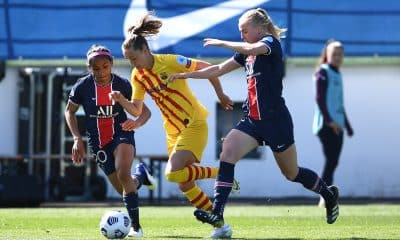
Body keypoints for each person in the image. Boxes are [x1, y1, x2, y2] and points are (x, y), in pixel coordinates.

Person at [168, 8, 340, 238]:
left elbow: (252, 47)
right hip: (253, 121)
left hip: (276, 121)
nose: (242, 36)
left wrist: (223, 43)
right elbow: (218, 69)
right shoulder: (246, 51)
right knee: (227, 151)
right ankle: (217, 213)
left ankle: (328, 195)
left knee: (291, 173)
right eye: (240, 32)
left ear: (259, 29)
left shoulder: (270, 43)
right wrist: (185, 75)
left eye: (244, 31)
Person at [109, 12, 239, 214]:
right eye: (128, 61)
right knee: (184, 183)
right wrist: (121, 100)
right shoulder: (138, 76)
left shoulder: (170, 61)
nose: (133, 64)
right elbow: (136, 110)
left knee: (172, 173)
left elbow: (210, 69)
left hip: (193, 123)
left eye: (134, 58)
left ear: (145, 50)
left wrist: (221, 95)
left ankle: (220, 173)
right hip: (172, 131)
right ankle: (219, 222)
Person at [64, 44, 157, 238]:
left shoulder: (123, 84)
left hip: (121, 134)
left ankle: (136, 227)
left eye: (105, 66)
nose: (101, 71)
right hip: (98, 142)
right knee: (123, 186)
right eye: (96, 68)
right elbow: (69, 112)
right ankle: (141, 176)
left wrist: (136, 123)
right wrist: (76, 138)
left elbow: (145, 111)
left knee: (123, 173)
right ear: (89, 68)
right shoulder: (82, 86)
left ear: (111, 64)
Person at [313, 39, 354, 207]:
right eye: (334, 54)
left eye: (340, 54)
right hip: (326, 124)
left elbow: (339, 102)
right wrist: (329, 121)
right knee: (331, 160)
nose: (337, 57)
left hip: (339, 124)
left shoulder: (338, 74)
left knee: (333, 161)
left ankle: (326, 194)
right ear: (327, 55)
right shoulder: (322, 72)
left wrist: (348, 126)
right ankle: (325, 196)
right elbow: (320, 99)